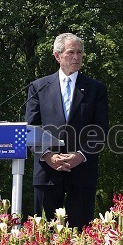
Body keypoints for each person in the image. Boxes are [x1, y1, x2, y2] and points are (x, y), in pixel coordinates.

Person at [25, 33, 109, 230]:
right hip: (47, 173)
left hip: (82, 172)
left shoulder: (96, 89)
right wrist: (48, 156)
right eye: (71, 52)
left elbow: (100, 129)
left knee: (80, 237)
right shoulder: (38, 87)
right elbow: (31, 128)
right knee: (43, 236)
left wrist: (80, 155)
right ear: (57, 55)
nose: (76, 57)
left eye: (80, 52)